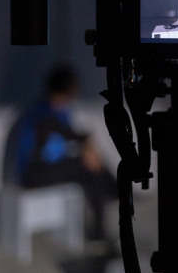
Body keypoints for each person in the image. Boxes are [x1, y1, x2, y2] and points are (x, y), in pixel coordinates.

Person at [8, 63, 116, 241]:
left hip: (52, 167)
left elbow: (77, 135)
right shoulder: (41, 114)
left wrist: (88, 146)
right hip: (36, 173)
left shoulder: (60, 111)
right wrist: (86, 149)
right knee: (90, 168)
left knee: (92, 166)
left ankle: (112, 194)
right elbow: (31, 153)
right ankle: (112, 195)